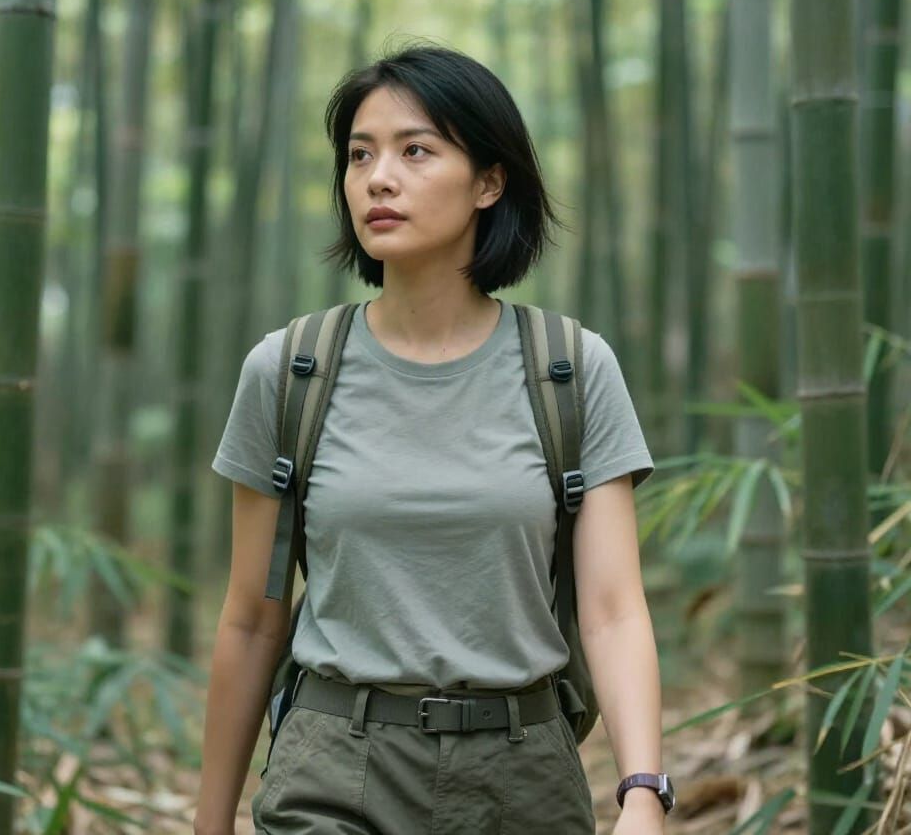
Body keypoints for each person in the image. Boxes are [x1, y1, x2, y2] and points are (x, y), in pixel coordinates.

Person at [193, 43, 668, 835]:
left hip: (523, 772)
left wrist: (643, 793)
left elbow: (614, 612)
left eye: (416, 150)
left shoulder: (571, 369)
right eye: (359, 155)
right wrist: (209, 825)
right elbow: (252, 618)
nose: (378, 177)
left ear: (489, 180)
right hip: (334, 765)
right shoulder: (289, 372)